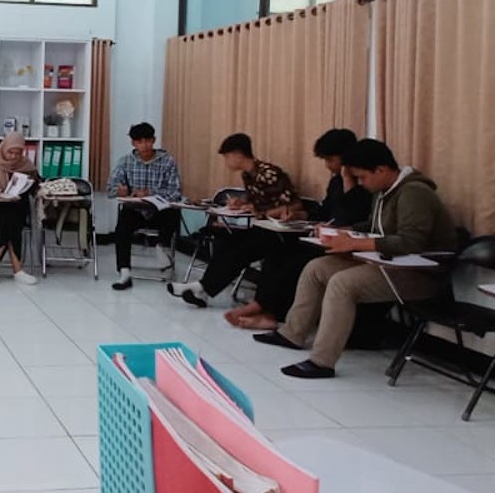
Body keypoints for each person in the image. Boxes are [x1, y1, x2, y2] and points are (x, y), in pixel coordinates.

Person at [255, 138, 457, 379]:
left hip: (421, 274)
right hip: (388, 262)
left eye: (362, 177)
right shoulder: (383, 192)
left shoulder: (414, 193)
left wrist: (354, 243)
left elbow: (411, 242)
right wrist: (343, 231)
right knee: (317, 268)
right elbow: (372, 226)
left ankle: (322, 361)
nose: (360, 183)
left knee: (343, 283)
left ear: (381, 170)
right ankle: (292, 333)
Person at [227, 129, 373, 330]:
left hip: (347, 244)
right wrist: (299, 215)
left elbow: (354, 217)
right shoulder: (336, 182)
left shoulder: (364, 182)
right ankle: (262, 305)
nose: (327, 165)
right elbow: (324, 211)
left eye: (330, 159)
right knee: (279, 252)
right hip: (323, 238)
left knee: (297, 262)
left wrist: (349, 181)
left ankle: (272, 314)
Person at [168, 132, 302, 308]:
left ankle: (202, 288)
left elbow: (294, 205)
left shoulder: (268, 173)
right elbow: (260, 200)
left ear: (237, 154)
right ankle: (203, 290)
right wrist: (242, 203)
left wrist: (261, 211)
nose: (226, 162)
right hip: (262, 227)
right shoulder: (248, 175)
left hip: (278, 232)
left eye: (227, 157)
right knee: (227, 242)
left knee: (242, 250)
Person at [106, 122, 183, 291]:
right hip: (136, 211)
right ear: (133, 143)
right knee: (123, 222)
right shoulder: (126, 161)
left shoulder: (167, 161)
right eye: (139, 142)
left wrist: (150, 193)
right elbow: (110, 189)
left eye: (148, 141)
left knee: (173, 213)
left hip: (160, 211)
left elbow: (176, 192)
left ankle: (161, 246)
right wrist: (120, 191)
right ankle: (124, 272)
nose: (144, 145)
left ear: (154, 140)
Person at [0, 132, 40, 285]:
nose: (13, 157)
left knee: (12, 214)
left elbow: (35, 187)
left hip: (17, 209)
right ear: (4, 148)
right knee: (11, 218)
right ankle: (17, 270)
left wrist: (39, 188)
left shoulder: (27, 165)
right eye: (10, 152)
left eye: (18, 153)